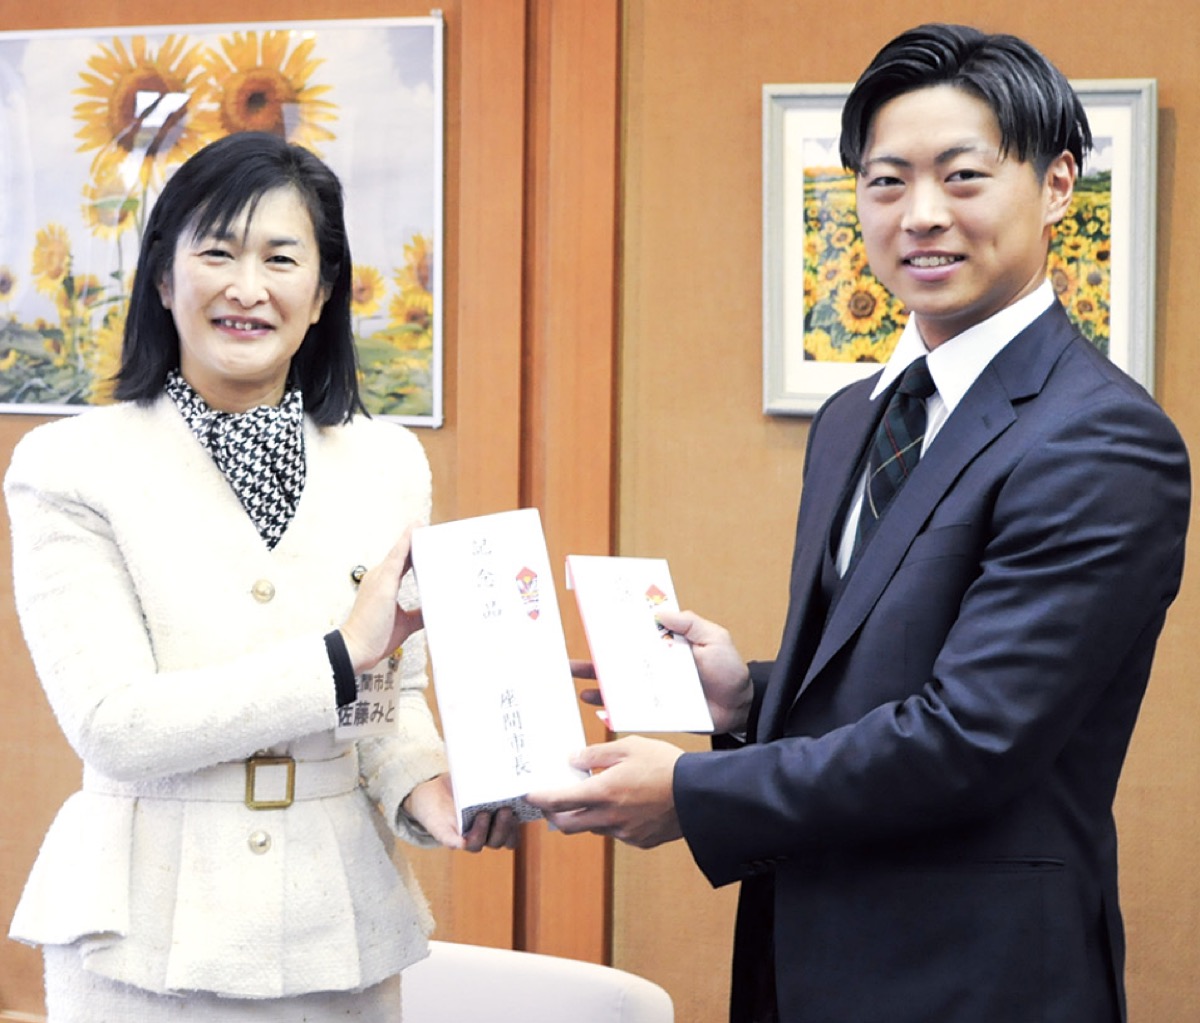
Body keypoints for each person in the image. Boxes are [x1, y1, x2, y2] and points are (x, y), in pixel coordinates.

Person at [527, 23, 1190, 1023]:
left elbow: (972, 735)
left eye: (963, 177)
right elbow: (884, 679)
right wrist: (746, 697)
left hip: (980, 977)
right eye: (887, 182)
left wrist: (693, 795)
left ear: (1057, 184)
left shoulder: (1100, 437)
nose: (921, 215)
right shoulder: (855, 415)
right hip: (804, 957)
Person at [5, 131, 517, 1021]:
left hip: (339, 923)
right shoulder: (69, 466)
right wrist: (339, 655)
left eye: (281, 258)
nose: (248, 287)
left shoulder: (389, 462)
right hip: (143, 935)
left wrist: (425, 786)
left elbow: (389, 693)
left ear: (321, 293)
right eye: (217, 252)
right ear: (163, 279)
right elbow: (113, 725)